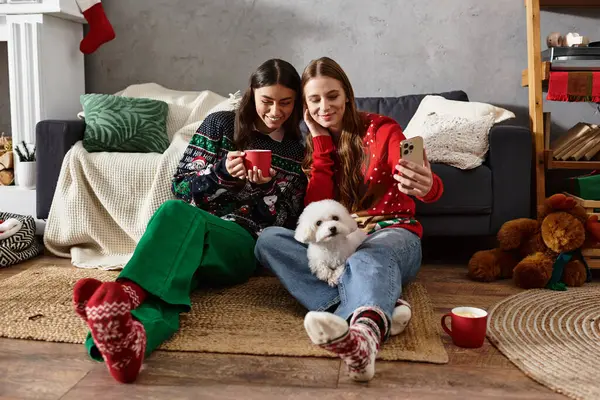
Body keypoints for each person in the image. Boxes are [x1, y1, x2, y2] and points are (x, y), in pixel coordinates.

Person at [71, 58, 308, 383]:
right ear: (252, 93)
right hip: (192, 236)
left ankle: (125, 291)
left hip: (240, 246)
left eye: (285, 102)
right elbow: (182, 188)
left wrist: (264, 189)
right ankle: (131, 339)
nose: (275, 111)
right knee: (169, 282)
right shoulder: (219, 125)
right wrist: (223, 173)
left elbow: (288, 222)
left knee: (171, 216)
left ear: (296, 103)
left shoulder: (297, 151)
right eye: (267, 100)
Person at [254, 57, 444, 382]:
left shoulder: (383, 128)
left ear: (347, 95)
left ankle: (362, 338)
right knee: (268, 241)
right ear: (305, 105)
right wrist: (322, 145)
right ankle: (375, 303)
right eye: (314, 100)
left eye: (332, 96)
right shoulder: (314, 145)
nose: (324, 106)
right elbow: (317, 211)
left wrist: (428, 184)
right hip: (338, 245)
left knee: (368, 253)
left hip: (392, 236)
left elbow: (414, 168)